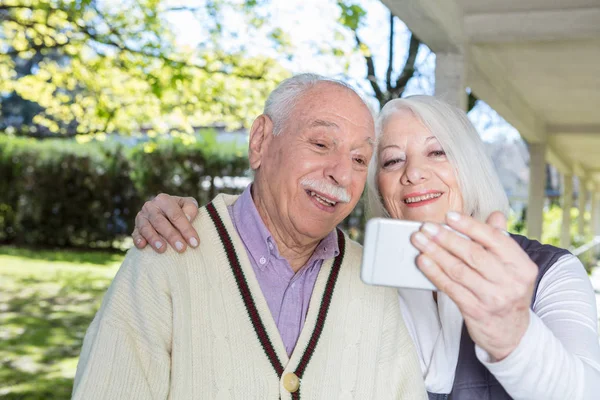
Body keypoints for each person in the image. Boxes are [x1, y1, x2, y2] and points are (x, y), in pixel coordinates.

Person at [134, 94, 600, 399]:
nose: (413, 173)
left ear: (471, 162)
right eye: (392, 160)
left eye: (436, 152)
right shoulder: (354, 271)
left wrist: (513, 335)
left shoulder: (550, 273)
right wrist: (189, 217)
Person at [72, 74, 427, 399]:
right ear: (259, 142)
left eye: (360, 159)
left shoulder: (374, 281)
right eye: (321, 143)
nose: (341, 174)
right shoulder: (166, 254)